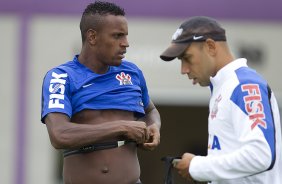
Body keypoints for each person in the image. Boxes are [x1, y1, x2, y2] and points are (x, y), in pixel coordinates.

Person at [40, 1, 161, 184]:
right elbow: (59, 134)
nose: (126, 44)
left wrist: (154, 127)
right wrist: (121, 128)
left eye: (126, 36)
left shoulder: (132, 73)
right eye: (117, 36)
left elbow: (150, 111)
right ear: (92, 37)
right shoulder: (61, 77)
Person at [160, 16, 282, 184]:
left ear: (210, 46)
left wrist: (197, 166)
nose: (183, 69)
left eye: (187, 57)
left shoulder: (245, 85)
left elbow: (261, 155)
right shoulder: (224, 86)